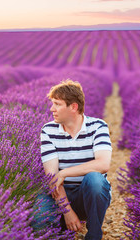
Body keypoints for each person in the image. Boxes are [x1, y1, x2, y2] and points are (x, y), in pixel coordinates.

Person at [37, 79, 112, 240]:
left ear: (73, 107)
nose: (52, 109)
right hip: (60, 196)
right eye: (52, 103)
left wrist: (65, 173)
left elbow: (103, 164)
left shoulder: (98, 127)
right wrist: (67, 212)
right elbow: (52, 178)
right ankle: (62, 228)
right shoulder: (48, 131)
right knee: (38, 219)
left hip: (88, 195)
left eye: (57, 104)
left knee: (95, 180)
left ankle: (94, 234)